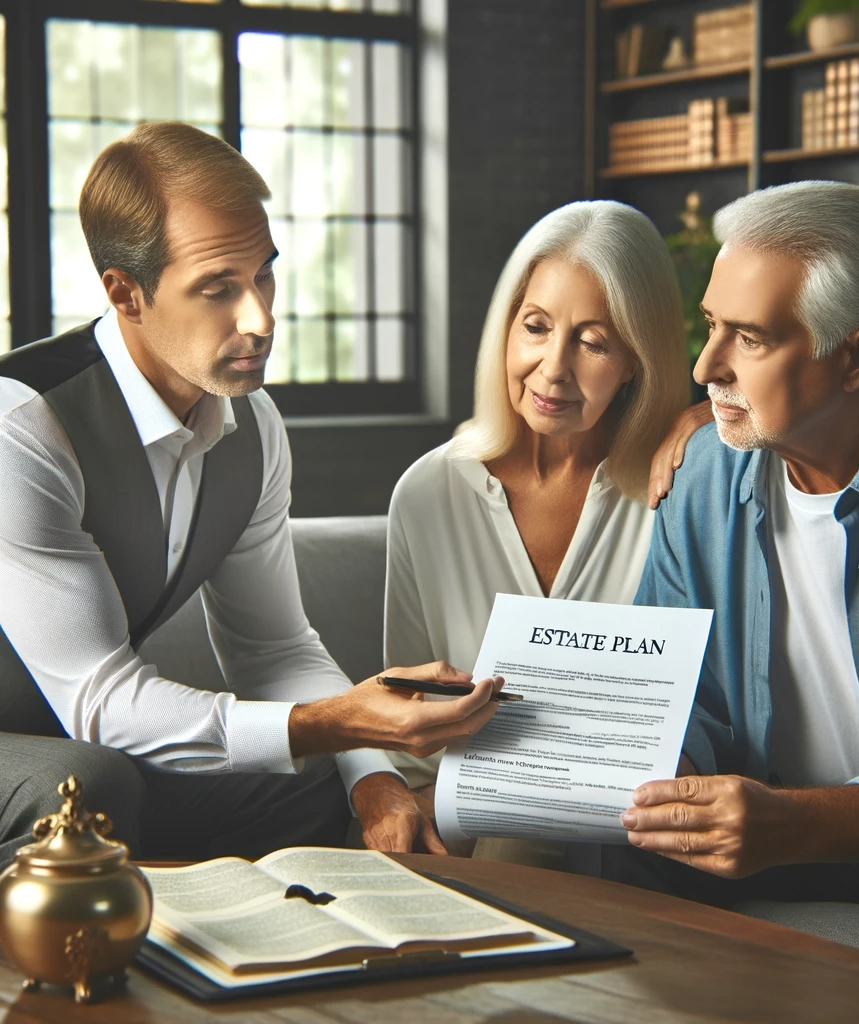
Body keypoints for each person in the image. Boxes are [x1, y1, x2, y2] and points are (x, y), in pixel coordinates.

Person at [0, 122, 503, 868]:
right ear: (125, 293)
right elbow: (100, 705)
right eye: (218, 288)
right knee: (89, 782)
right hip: (61, 751)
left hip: (87, 747)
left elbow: (272, 647)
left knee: (327, 788)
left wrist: (375, 776)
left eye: (263, 274)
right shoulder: (24, 427)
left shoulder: (253, 426)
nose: (261, 319)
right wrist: (338, 721)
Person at [609, 180, 859, 1001]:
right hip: (747, 828)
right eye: (710, 326)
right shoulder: (700, 481)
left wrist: (789, 825)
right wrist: (671, 768)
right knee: (615, 838)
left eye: (750, 339)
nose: (704, 367)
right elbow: (672, 690)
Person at [383, 200, 710, 859]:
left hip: (639, 821)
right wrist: (401, 805)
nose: (553, 367)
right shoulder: (428, 493)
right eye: (535, 327)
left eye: (593, 342)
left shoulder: (682, 482)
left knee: (522, 841)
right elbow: (409, 729)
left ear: (635, 361)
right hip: (469, 813)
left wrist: (718, 416)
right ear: (506, 329)